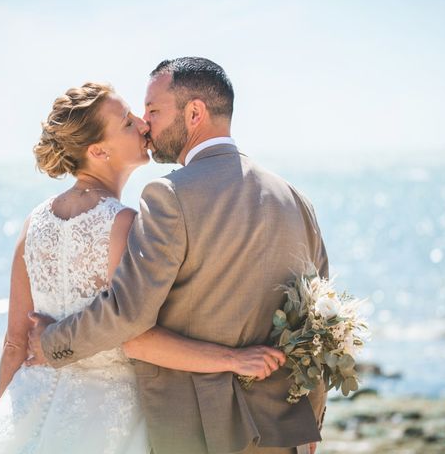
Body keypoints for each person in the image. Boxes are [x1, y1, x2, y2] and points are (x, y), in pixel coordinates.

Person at [27, 58, 329, 454]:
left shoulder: (169, 196)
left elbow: (127, 314)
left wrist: (50, 343)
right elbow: (321, 319)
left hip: (198, 434)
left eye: (153, 110)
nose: (146, 124)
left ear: (195, 112)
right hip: (282, 433)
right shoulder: (295, 199)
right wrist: (313, 419)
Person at [0, 82, 287, 454]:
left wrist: (6, 422)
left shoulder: (33, 223)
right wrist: (234, 359)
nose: (142, 124)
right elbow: (134, 336)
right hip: (106, 425)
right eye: (126, 122)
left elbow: (13, 344)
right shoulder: (122, 223)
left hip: (28, 405)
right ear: (98, 150)